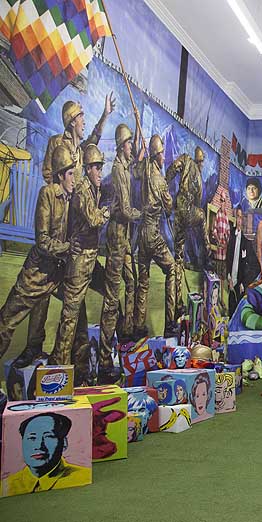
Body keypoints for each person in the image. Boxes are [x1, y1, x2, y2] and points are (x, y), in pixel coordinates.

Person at [0, 146, 75, 363]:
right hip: (35, 273)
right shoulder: (48, 193)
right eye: (70, 174)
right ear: (60, 175)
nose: (74, 179)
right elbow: (42, 241)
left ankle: (36, 353)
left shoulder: (71, 199)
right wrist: (67, 248)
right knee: (6, 321)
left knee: (69, 310)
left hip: (55, 274)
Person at [49, 144, 110, 385]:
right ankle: (58, 372)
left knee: (84, 318)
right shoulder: (84, 190)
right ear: (88, 169)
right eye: (96, 168)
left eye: (101, 168)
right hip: (79, 261)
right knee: (70, 318)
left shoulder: (94, 189)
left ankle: (83, 372)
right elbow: (94, 219)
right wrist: (105, 213)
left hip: (90, 259)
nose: (100, 173)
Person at [99, 123, 142, 367]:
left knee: (131, 282)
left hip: (124, 235)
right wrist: (142, 214)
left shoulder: (126, 166)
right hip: (117, 234)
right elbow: (125, 210)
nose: (132, 147)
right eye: (129, 143)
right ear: (121, 145)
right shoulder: (117, 170)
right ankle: (105, 355)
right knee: (112, 294)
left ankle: (126, 331)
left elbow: (136, 165)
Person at [133, 134, 177, 337]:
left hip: (141, 234)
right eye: (161, 154)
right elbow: (168, 207)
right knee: (172, 268)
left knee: (143, 281)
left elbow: (137, 169)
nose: (164, 158)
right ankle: (170, 323)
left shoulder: (145, 169)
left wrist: (145, 157)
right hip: (152, 233)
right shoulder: (159, 180)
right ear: (157, 155)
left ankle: (138, 326)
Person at [166, 147, 212, 315]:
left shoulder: (187, 162)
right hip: (187, 211)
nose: (201, 164)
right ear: (199, 160)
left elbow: (172, 169)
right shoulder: (190, 163)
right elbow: (173, 169)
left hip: (179, 213)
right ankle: (207, 250)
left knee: (178, 258)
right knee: (202, 217)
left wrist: (165, 184)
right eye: (201, 161)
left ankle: (177, 304)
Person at [1, 412, 91, 496]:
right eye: (32, 438)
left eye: (48, 436)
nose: (38, 446)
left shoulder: (82, 476)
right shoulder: (6, 485)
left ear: (64, 443)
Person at [226, 208, 261, 316]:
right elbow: (228, 258)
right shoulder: (231, 235)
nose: (239, 220)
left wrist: (244, 283)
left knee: (239, 313)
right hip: (231, 282)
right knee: (231, 310)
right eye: (238, 217)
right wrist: (229, 277)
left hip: (240, 285)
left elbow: (256, 267)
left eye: (242, 218)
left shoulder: (247, 242)